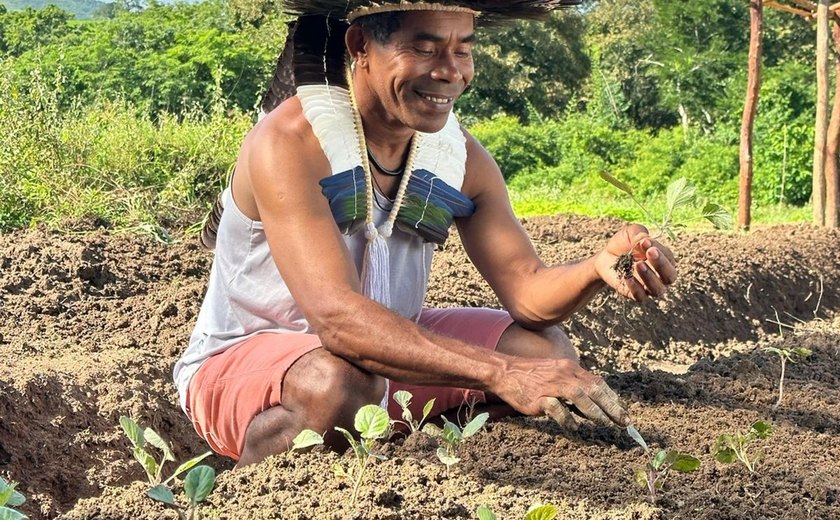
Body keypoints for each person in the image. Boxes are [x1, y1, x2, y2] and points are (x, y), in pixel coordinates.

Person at [173, 0, 678, 468]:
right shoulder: (289, 143)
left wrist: (596, 269)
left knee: (544, 354)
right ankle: (254, 484)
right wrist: (501, 373)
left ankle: (411, 459)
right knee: (338, 384)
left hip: (380, 358)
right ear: (360, 46)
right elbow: (338, 321)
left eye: (463, 50)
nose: (450, 72)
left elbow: (526, 290)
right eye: (424, 47)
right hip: (256, 365)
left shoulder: (462, 159)